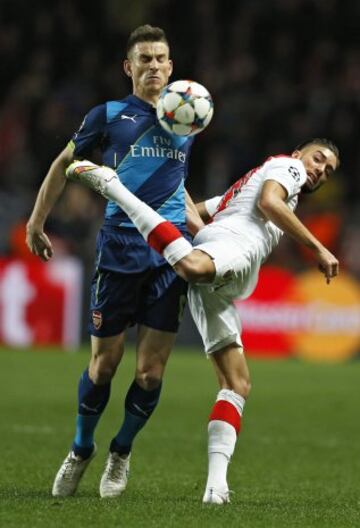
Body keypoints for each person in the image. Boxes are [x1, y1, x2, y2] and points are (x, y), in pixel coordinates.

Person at [65, 138, 340, 504]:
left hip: (222, 269)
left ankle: (216, 487)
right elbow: (269, 203)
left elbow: (194, 212)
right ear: (297, 156)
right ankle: (113, 187)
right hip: (231, 249)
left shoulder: (255, 179)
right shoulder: (285, 169)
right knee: (193, 266)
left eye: (328, 170)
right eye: (317, 159)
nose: (320, 169)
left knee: (237, 383)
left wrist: (170, 189)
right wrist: (318, 247)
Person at [26, 25, 203, 499]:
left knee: (150, 373)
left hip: (170, 254)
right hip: (120, 248)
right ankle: (82, 448)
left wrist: (203, 235)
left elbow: (175, 183)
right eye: (144, 58)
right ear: (129, 67)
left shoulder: (186, 114)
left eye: (161, 58)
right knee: (104, 366)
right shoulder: (108, 115)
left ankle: (120, 451)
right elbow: (64, 163)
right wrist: (36, 222)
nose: (153, 66)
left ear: (170, 65)